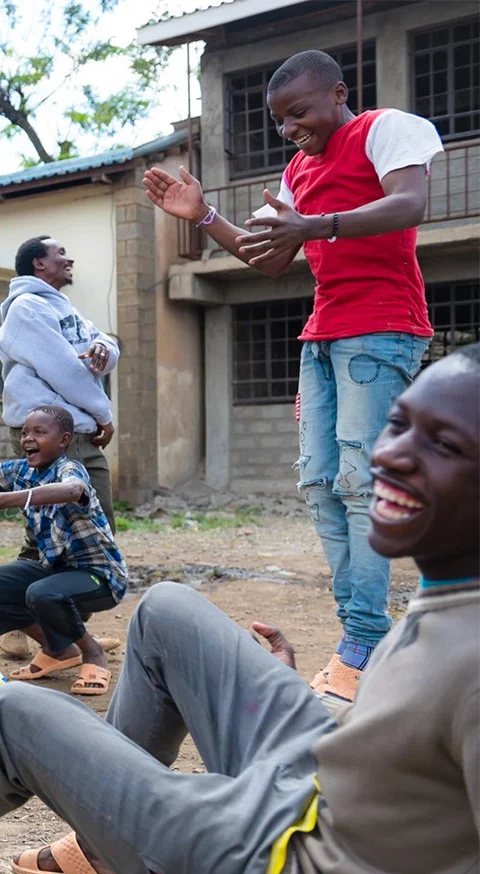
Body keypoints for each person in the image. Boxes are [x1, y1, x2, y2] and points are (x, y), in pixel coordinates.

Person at [0, 343, 479, 874]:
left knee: (14, 717)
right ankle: (109, 845)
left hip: (286, 864)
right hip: (316, 785)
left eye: (442, 446)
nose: (389, 456)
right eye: (398, 425)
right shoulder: (453, 583)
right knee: (166, 613)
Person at [143, 50, 445, 703]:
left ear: (338, 94)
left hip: (383, 327)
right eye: (279, 120)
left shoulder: (387, 129)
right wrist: (203, 217)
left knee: (364, 482)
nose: (290, 130)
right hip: (322, 336)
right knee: (320, 484)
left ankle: (363, 643)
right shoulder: (297, 171)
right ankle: (369, 632)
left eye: (299, 113)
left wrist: (317, 225)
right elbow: (268, 258)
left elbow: (410, 204)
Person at [0, 405, 127, 696]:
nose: (28, 439)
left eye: (39, 432)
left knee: (42, 593)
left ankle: (93, 653)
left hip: (100, 577)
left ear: (64, 440)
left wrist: (1, 500)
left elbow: (71, 490)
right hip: (55, 569)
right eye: (24, 433)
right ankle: (58, 648)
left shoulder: (70, 469)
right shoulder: (21, 470)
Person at [0, 237, 120, 660]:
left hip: (78, 433)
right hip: (47, 435)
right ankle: (22, 624)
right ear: (38, 263)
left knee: (92, 534)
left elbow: (102, 343)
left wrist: (105, 351)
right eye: (59, 253)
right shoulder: (27, 308)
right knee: (45, 535)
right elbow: (64, 369)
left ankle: (63, 629)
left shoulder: (66, 308)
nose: (69, 258)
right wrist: (104, 412)